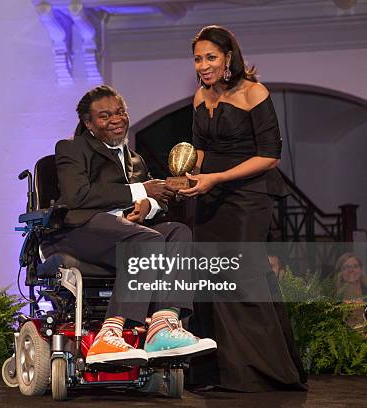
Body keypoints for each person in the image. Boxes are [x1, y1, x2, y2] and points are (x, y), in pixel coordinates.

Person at [41, 85, 216, 365]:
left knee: (177, 233)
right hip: (77, 231)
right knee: (147, 241)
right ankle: (108, 334)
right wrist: (140, 190)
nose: (116, 119)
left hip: (123, 233)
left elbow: (156, 199)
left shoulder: (135, 159)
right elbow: (77, 196)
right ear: (88, 123)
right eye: (104, 115)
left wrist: (149, 205)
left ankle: (162, 325)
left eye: (120, 111)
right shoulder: (71, 148)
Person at [179, 26, 307, 391]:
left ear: (228, 57)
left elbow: (270, 156)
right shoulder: (199, 96)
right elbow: (200, 147)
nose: (203, 65)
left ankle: (255, 371)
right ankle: (215, 371)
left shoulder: (254, 92)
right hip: (208, 196)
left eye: (210, 57)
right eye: (198, 58)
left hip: (247, 197)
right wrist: (193, 175)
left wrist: (217, 178)